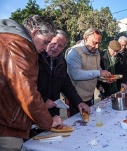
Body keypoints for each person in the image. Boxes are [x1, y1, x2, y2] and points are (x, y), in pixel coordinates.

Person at [0, 15, 63, 150]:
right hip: (7, 127)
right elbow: (26, 91)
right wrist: (48, 121)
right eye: (46, 42)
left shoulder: (7, 39)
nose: (46, 48)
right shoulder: (18, 44)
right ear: (34, 32)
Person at [37, 29, 90, 116]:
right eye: (54, 43)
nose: (55, 48)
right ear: (48, 41)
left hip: (53, 112)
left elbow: (66, 85)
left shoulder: (62, 62)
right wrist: (43, 100)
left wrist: (79, 102)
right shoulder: (36, 58)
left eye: (60, 46)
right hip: (35, 110)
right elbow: (26, 86)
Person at [66, 27, 111, 116]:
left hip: (89, 96)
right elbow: (76, 74)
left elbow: (96, 71)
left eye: (99, 43)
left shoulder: (97, 53)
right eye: (95, 43)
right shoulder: (74, 52)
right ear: (86, 38)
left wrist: (104, 78)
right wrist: (99, 73)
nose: (97, 46)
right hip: (75, 99)